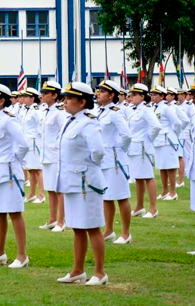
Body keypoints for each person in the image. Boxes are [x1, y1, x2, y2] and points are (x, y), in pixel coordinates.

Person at [56, 82, 108, 285]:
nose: (65, 102)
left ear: (82, 102)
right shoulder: (69, 121)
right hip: (71, 181)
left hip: (86, 182)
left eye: (69, 98)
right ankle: (77, 270)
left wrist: (88, 167)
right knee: (77, 226)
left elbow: (99, 152)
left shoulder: (88, 122)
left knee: (92, 227)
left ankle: (100, 272)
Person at [0, 83, 29, 269]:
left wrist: (13, 160)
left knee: (15, 213)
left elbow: (23, 145)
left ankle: (22, 255)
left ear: (2, 100)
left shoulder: (9, 120)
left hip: (8, 173)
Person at [95, 81, 133, 245]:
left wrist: (119, 152)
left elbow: (126, 136)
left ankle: (126, 233)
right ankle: (109, 230)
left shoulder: (115, 112)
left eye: (102, 91)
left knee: (121, 196)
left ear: (111, 95)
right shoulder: (98, 111)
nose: (98, 93)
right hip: (104, 160)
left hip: (115, 160)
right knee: (107, 197)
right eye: (98, 90)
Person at [127, 84, 161, 219]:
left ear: (142, 96)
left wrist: (147, 139)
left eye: (135, 95)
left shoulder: (146, 110)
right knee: (138, 178)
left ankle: (153, 209)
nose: (132, 97)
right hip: (134, 148)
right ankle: (139, 207)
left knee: (148, 177)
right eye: (131, 94)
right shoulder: (133, 109)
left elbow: (156, 126)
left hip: (143, 149)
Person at [38, 81, 68, 231]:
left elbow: (64, 133)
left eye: (46, 93)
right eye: (42, 93)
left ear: (55, 95)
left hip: (57, 155)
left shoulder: (60, 112)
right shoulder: (45, 110)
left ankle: (61, 221)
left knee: (59, 189)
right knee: (50, 188)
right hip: (47, 155)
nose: (42, 95)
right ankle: (52, 219)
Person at [150, 86, 182, 205]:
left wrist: (174, 134)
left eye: (155, 94)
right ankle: (164, 191)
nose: (152, 96)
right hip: (158, 141)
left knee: (170, 167)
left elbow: (177, 123)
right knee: (162, 167)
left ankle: (173, 192)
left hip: (167, 140)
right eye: (152, 94)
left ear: (162, 96)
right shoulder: (153, 107)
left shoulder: (167, 108)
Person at [21, 88, 45, 203]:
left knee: (38, 169)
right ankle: (32, 194)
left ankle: (41, 195)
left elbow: (41, 125)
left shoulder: (36, 110)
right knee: (31, 169)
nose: (24, 98)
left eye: (26, 97)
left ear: (32, 98)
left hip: (35, 142)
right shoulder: (27, 109)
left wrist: (39, 139)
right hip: (28, 142)